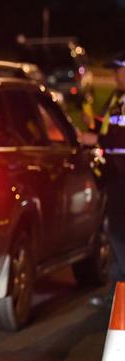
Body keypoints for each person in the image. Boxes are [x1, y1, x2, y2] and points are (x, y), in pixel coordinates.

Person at [79, 51, 125, 306]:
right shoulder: (118, 98)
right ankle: (115, 295)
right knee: (115, 234)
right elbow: (112, 127)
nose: (114, 75)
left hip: (123, 176)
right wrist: (93, 123)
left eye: (118, 69)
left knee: (119, 235)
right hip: (115, 175)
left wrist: (94, 139)